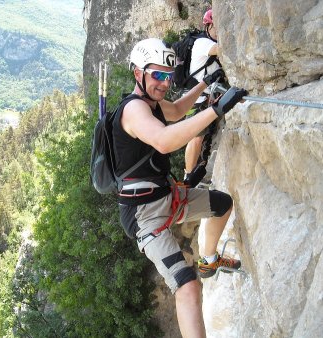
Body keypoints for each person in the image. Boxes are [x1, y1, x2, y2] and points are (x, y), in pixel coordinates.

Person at [112, 38, 246, 337]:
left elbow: (176, 110)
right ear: (138, 74)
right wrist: (216, 110)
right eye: (157, 75)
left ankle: (209, 260)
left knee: (221, 203)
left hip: (167, 197)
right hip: (145, 215)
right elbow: (164, 139)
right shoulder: (133, 110)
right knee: (187, 285)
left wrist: (205, 84)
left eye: (168, 75)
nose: (164, 82)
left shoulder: (152, 104)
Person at [184, 8, 226, 187]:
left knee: (203, 138)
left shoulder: (208, 42)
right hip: (198, 99)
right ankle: (187, 177)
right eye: (216, 26)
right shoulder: (202, 43)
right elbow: (220, 49)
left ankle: (195, 175)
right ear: (208, 26)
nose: (218, 30)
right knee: (196, 137)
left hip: (208, 97)